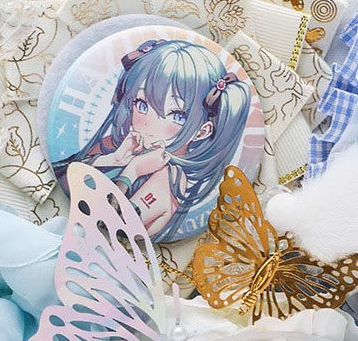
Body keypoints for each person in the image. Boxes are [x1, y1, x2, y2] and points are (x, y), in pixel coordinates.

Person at [54, 38, 251, 241]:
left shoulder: (170, 177)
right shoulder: (118, 147)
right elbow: (64, 181)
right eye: (142, 104)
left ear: (202, 131)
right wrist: (111, 159)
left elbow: (112, 226)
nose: (148, 123)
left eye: (177, 115)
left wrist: (132, 172)